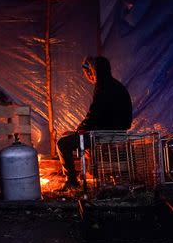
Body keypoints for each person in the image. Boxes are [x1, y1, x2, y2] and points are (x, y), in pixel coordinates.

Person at [56, 56, 133, 191]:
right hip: (118, 132)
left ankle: (71, 181)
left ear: (92, 72)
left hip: (105, 134)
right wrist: (83, 129)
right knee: (76, 138)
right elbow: (102, 115)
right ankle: (91, 174)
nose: (88, 77)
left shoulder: (103, 87)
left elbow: (94, 115)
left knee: (62, 143)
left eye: (88, 73)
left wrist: (79, 130)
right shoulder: (116, 85)